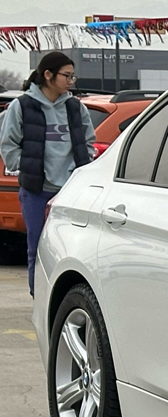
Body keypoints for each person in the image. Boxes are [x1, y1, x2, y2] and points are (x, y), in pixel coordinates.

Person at [0, 51, 95, 295]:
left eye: (73, 76)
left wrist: (80, 168)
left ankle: (63, 299)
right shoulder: (22, 106)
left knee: (70, 250)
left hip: (71, 191)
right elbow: (8, 143)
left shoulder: (75, 107)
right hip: (36, 190)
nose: (71, 81)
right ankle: (39, 298)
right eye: (67, 76)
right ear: (48, 75)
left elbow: (89, 141)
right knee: (37, 248)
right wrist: (28, 166)